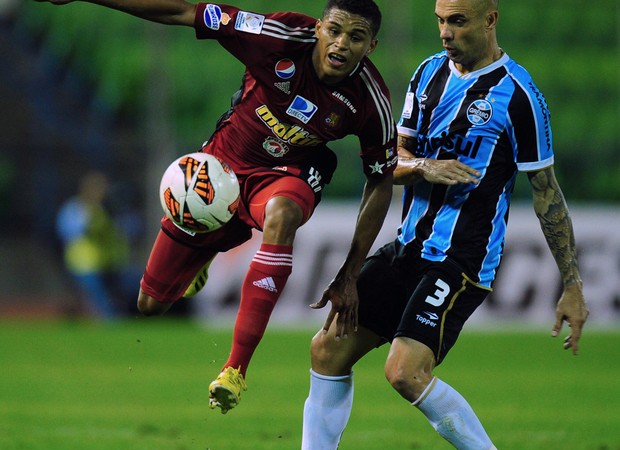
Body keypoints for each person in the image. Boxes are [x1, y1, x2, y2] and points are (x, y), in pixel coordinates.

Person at [38, 0, 397, 413]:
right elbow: (183, 12)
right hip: (220, 174)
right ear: (318, 28)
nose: (341, 44)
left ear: (371, 46)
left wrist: (351, 273)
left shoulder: (371, 100)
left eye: (356, 37)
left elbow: (380, 179)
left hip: (287, 173)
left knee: (282, 216)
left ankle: (235, 370)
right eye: (334, 30)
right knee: (150, 305)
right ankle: (215, 243)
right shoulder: (273, 38)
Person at [300, 0, 589, 450]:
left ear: (490, 20)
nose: (445, 32)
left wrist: (572, 284)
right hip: (408, 247)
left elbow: (546, 194)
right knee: (327, 348)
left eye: (457, 21)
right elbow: (390, 162)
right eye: (440, 20)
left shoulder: (519, 95)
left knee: (405, 371)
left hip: (461, 259)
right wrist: (424, 168)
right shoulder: (428, 74)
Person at [56, 170, 132, 320]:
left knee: (118, 297)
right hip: (83, 265)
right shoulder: (75, 209)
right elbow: (67, 231)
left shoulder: (109, 210)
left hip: (108, 264)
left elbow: (127, 231)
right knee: (100, 300)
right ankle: (107, 325)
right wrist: (91, 221)